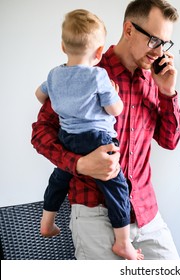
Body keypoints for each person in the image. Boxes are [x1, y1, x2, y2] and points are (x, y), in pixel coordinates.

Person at [31, 0, 180, 260]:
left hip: (146, 214)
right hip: (94, 214)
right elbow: (41, 132)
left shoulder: (154, 80)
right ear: (129, 29)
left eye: (164, 44)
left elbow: (169, 141)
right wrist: (79, 164)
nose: (159, 52)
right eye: (154, 40)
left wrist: (168, 93)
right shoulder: (85, 73)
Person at [34, 9, 143, 261]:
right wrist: (113, 93)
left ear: (63, 46)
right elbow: (116, 110)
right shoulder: (98, 76)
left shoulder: (54, 74)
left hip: (68, 138)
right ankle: (123, 243)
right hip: (98, 140)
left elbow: (40, 97)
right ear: (98, 52)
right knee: (116, 187)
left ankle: (47, 221)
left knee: (59, 179)